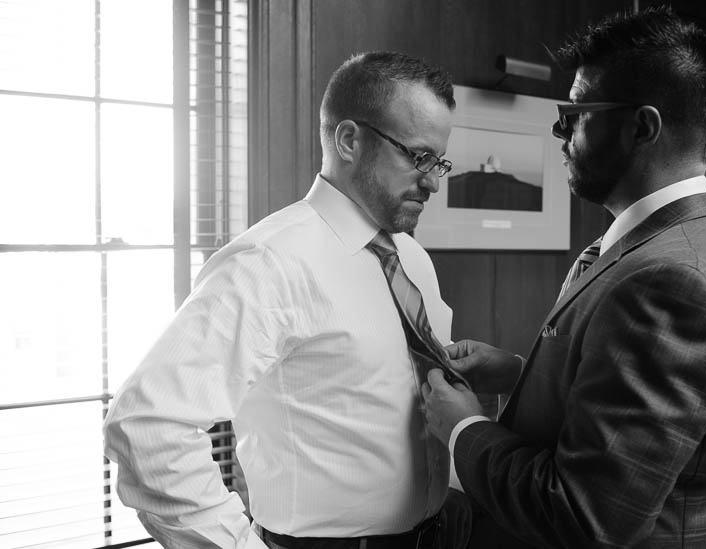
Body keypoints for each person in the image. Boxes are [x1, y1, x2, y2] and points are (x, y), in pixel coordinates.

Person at [422, 6, 706, 548]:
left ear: (642, 127)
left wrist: (462, 429)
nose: (560, 131)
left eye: (576, 114)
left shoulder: (669, 281)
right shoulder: (681, 236)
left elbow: (587, 516)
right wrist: (520, 375)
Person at [104, 51, 470, 549]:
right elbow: (147, 424)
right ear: (348, 140)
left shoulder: (411, 258)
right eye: (418, 156)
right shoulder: (268, 261)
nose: (432, 181)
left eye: (440, 161)